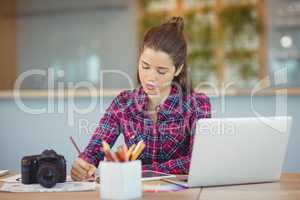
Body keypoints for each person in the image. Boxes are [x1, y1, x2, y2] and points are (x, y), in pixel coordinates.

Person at [71, 16, 211, 181]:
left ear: (178, 69)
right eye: (145, 66)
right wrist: (84, 163)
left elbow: (198, 161)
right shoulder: (124, 103)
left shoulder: (197, 104)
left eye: (161, 71)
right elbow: (95, 149)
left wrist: (140, 171)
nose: (150, 78)